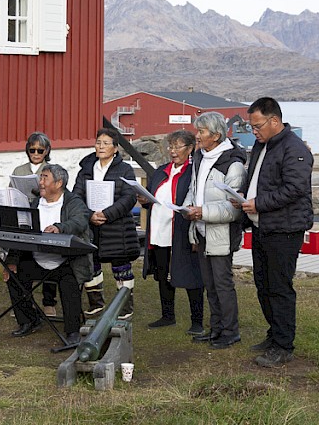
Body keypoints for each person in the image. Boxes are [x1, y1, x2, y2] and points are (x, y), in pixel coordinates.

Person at [239, 97, 314, 367]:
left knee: (280, 287)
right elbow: (258, 180)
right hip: (262, 226)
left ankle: (284, 345)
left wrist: (258, 203)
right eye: (251, 127)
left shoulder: (294, 149)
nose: (254, 131)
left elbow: (294, 189)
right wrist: (243, 195)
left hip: (284, 229)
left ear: (274, 121)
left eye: (257, 125)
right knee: (263, 284)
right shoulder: (262, 146)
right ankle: (274, 334)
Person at [3, 164, 92, 344]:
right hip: (36, 259)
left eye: (44, 178)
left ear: (58, 183)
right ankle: (29, 320)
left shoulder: (73, 202)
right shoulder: (34, 204)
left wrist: (60, 228)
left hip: (66, 262)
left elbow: (79, 221)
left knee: (70, 283)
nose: (40, 182)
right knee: (14, 276)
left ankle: (72, 330)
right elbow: (22, 234)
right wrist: (11, 260)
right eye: (41, 177)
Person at [183, 112, 247, 349]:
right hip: (200, 230)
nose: (197, 136)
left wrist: (203, 212)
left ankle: (231, 331)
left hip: (220, 233)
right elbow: (194, 188)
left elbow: (234, 208)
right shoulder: (200, 157)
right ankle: (216, 328)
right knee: (209, 283)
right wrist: (189, 207)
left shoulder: (234, 164)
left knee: (222, 284)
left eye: (201, 132)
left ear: (217, 135)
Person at [139, 130, 205, 335]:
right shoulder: (161, 171)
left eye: (178, 147)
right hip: (159, 231)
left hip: (181, 233)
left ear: (190, 148)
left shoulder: (194, 172)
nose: (173, 151)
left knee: (191, 276)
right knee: (162, 274)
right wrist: (144, 200)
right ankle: (167, 315)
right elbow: (152, 197)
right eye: (170, 146)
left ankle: (197, 320)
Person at [73, 128, 140, 320]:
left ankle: (125, 307)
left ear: (115, 148)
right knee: (91, 265)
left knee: (121, 268)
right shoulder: (86, 168)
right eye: (98, 142)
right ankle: (96, 303)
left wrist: (107, 214)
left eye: (106, 143)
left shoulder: (125, 169)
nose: (101, 147)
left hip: (117, 227)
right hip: (91, 224)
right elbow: (76, 195)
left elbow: (128, 197)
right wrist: (89, 214)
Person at [11, 132, 59, 318]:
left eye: (40, 149)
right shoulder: (19, 170)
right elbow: (12, 190)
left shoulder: (53, 170)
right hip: (23, 216)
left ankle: (49, 302)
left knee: (49, 257)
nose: (36, 153)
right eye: (32, 149)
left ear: (47, 150)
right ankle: (24, 302)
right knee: (24, 258)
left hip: (45, 215)